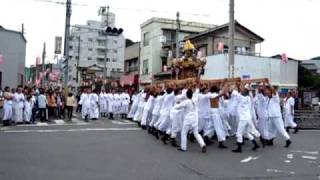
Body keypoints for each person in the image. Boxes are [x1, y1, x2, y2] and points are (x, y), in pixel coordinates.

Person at [175, 89, 207, 153]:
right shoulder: (194, 100)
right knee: (196, 133)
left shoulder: (186, 101)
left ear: (186, 95)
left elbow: (177, 107)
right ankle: (203, 144)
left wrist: (177, 103)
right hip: (195, 119)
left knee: (184, 133)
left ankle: (183, 147)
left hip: (188, 120)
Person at [232, 86, 260, 153]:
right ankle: (255, 144)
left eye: (243, 91)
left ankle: (239, 148)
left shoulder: (242, 97)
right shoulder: (248, 98)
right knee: (246, 133)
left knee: (239, 133)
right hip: (248, 118)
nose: (241, 92)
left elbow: (234, 93)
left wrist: (236, 86)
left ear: (245, 93)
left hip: (243, 119)